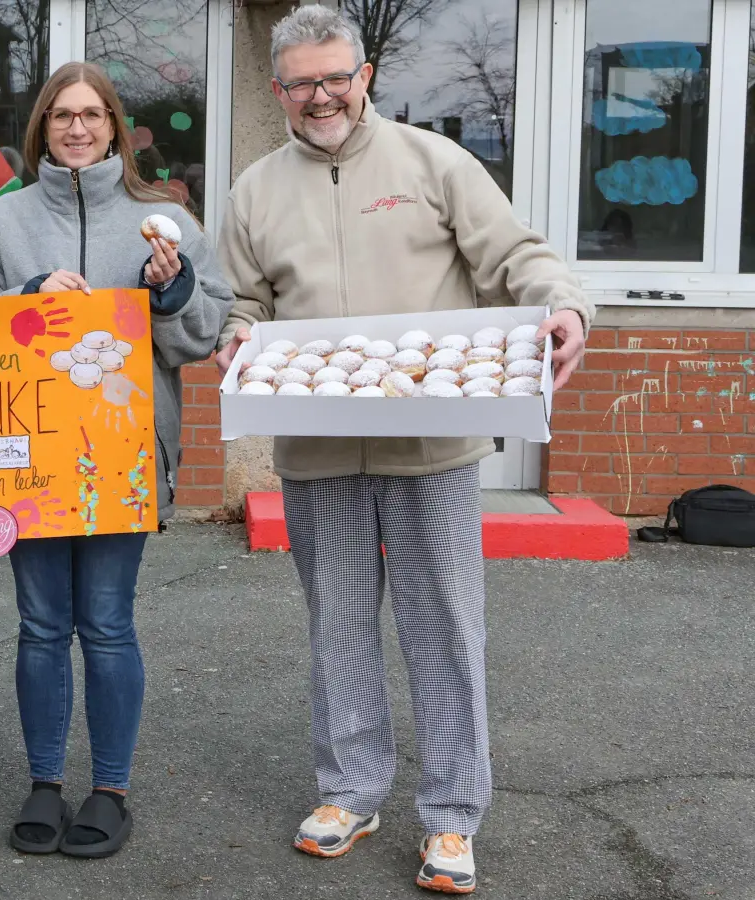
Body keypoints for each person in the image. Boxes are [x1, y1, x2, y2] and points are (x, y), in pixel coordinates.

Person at [212, 8, 593, 893]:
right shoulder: (256, 189)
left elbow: (519, 257)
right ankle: (352, 790)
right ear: (278, 91)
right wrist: (237, 336)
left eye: (335, 76)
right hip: (317, 454)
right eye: (302, 82)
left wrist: (566, 306)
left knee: (445, 632)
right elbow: (244, 300)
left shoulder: (434, 164)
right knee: (337, 630)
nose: (321, 96)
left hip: (433, 448)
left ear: (366, 73)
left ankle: (454, 814)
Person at [0, 61, 231, 859]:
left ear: (115, 126)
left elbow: (201, 338)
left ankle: (110, 789)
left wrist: (170, 295)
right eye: (62, 116)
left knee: (106, 625)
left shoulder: (164, 219)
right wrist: (29, 298)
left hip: (124, 452)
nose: (77, 128)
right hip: (23, 457)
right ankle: (45, 781)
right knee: (40, 624)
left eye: (93, 115)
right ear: (42, 126)